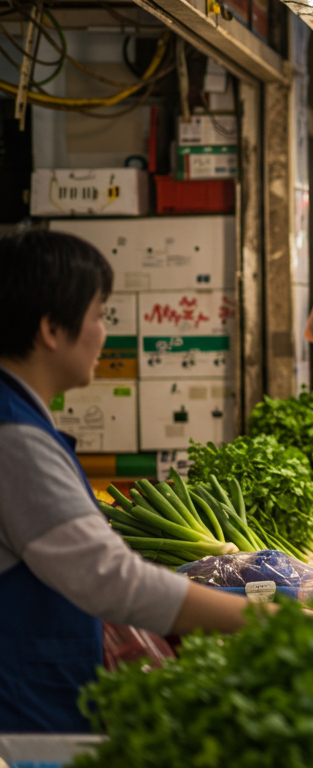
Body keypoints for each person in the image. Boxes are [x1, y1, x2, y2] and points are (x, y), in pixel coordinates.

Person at [0, 230, 255, 733]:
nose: (104, 334)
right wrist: (260, 619)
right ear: (52, 329)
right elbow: (110, 578)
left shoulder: (21, 421)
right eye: (99, 315)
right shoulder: (14, 439)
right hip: (30, 706)